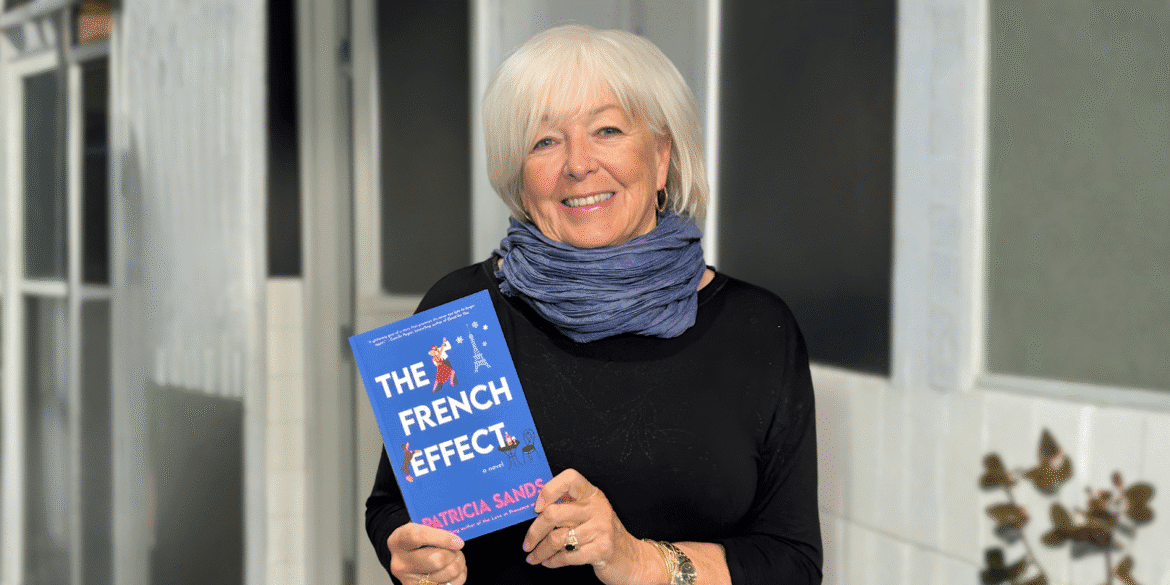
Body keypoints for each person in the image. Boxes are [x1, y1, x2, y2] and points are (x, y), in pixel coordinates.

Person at [366, 24, 822, 585]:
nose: (578, 164)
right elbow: (393, 506)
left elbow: (792, 564)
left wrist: (636, 560)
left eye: (607, 130)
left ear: (660, 158)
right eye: (545, 141)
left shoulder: (759, 329)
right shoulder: (460, 311)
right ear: (520, 177)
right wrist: (409, 553)